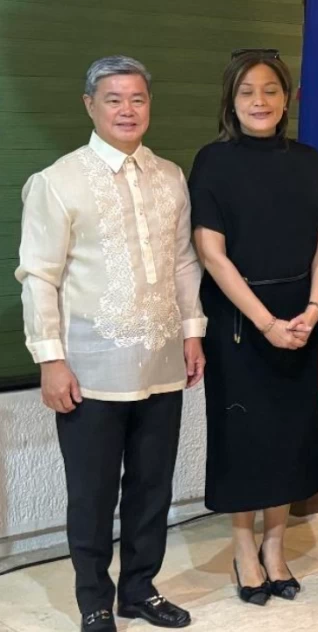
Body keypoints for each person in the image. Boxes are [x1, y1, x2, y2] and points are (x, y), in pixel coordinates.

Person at [15, 55, 204, 632]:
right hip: (90, 369)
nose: (127, 110)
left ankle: (139, 590)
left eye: (137, 98)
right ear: (89, 106)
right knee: (92, 494)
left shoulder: (170, 176)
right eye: (114, 99)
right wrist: (51, 360)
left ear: (149, 105)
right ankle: (94, 601)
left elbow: (183, 262)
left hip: (162, 362)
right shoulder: (57, 182)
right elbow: (38, 277)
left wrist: (192, 333)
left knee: (152, 487)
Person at [188, 50, 318, 605]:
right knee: (244, 438)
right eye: (247, 91)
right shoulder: (212, 161)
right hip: (240, 322)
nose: (259, 101)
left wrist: (313, 309)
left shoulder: (309, 161)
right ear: (231, 100)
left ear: (287, 98)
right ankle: (244, 548)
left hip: (300, 318)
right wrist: (266, 322)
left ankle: (276, 546)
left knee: (289, 437)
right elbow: (212, 254)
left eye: (270, 90)